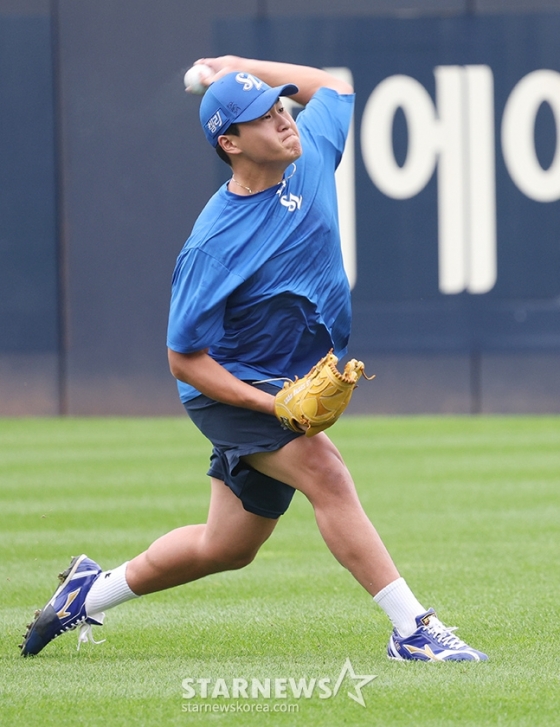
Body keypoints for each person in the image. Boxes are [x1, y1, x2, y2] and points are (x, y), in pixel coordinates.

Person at [20, 56, 487, 662]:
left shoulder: (311, 148)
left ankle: (91, 592)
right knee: (326, 473)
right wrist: (272, 405)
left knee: (228, 545)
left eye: (280, 107)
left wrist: (238, 65)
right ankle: (413, 630)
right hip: (229, 386)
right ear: (231, 143)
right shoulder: (214, 243)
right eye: (263, 119)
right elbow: (184, 360)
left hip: (286, 377)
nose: (284, 121)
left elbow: (335, 86)